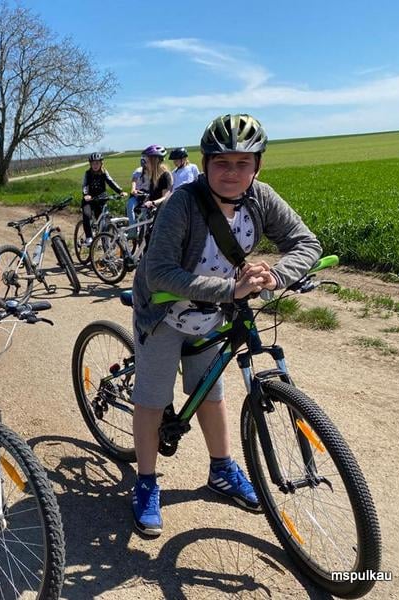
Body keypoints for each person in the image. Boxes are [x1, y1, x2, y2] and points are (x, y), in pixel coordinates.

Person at [129, 114, 322, 536]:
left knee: (210, 393)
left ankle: (221, 469)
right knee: (152, 398)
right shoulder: (183, 204)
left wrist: (276, 276)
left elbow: (306, 243)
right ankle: (145, 482)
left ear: (257, 166)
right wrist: (231, 289)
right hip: (163, 309)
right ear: (205, 163)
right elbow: (159, 271)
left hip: (212, 311)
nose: (232, 172)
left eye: (242, 163)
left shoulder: (261, 198)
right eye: (221, 162)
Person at [81, 152, 126, 245]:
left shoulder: (104, 173)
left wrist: (120, 191)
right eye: (93, 163)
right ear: (90, 164)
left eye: (97, 163)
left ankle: (104, 240)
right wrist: (86, 194)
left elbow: (111, 182)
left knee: (103, 220)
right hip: (89, 199)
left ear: (101, 163)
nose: (95, 165)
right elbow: (85, 185)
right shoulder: (87, 173)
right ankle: (89, 237)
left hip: (101, 199)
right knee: (87, 215)